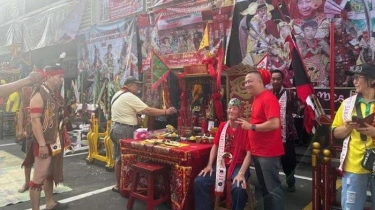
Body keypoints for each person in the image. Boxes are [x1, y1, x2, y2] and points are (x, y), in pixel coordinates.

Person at [110, 76, 177, 193]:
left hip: (116, 128)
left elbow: (122, 109)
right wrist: (166, 112)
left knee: (119, 157)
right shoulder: (129, 96)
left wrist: (134, 116)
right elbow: (148, 111)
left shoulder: (118, 94)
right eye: (136, 85)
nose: (138, 87)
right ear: (129, 85)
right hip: (124, 129)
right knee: (126, 157)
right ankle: (126, 186)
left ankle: (119, 185)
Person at [237, 70, 285, 210]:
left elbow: (274, 123)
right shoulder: (257, 98)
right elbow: (260, 121)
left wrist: (251, 126)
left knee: (273, 189)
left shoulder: (268, 98)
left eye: (249, 81)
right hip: (258, 151)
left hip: (268, 152)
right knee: (264, 189)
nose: (246, 84)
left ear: (259, 82)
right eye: (245, 82)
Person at [194, 98, 251, 210]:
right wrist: (210, 165)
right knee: (199, 181)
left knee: (238, 188)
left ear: (240, 111)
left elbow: (249, 154)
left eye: (235, 108)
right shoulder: (222, 126)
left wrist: (241, 173)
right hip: (221, 165)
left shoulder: (245, 128)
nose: (231, 111)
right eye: (229, 108)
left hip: (239, 166)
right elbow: (215, 146)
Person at [24, 65, 68, 210]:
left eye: (62, 76)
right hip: (43, 141)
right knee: (38, 178)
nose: (62, 79)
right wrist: (42, 144)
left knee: (49, 173)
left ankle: (50, 203)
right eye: (59, 76)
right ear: (48, 77)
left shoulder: (53, 93)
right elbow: (35, 121)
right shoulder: (39, 94)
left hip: (54, 139)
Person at [332, 63, 375, 209]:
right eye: (353, 78)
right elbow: (335, 133)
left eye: (358, 77)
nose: (354, 81)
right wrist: (347, 128)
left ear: (372, 80)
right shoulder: (347, 104)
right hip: (354, 165)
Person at [270, 70, 299, 192]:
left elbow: (297, 109)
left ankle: (290, 183)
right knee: (271, 161)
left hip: (287, 134)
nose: (275, 81)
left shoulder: (290, 94)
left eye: (278, 79)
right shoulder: (268, 94)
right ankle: (273, 184)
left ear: (282, 80)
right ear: (271, 80)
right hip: (271, 134)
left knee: (289, 161)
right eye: (273, 79)